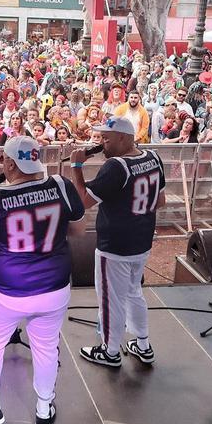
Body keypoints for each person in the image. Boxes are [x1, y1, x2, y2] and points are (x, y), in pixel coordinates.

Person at [0, 136, 85, 424]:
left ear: (8, 163)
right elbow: (79, 229)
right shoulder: (61, 184)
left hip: (11, 290)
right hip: (55, 286)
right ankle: (44, 408)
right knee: (46, 346)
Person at [66, 116, 164, 368]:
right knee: (133, 293)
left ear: (124, 137)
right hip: (141, 240)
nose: (102, 144)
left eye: (106, 139)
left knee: (111, 300)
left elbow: (83, 203)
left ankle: (110, 351)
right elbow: (160, 202)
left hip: (115, 245)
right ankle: (144, 345)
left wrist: (76, 168)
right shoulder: (153, 157)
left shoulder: (116, 167)